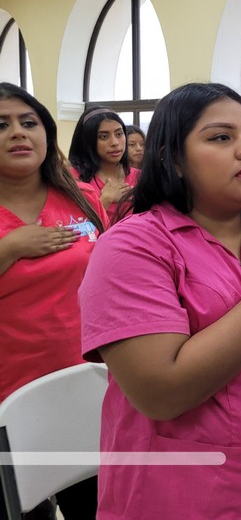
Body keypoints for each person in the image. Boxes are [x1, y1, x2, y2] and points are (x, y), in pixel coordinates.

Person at [78, 83, 241, 520]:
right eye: (221, 137)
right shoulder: (132, 247)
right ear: (172, 158)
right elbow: (162, 391)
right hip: (184, 497)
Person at [0, 82, 106, 520]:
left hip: (87, 387)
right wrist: (10, 248)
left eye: (29, 122)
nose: (17, 132)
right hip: (9, 399)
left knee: (95, 507)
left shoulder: (82, 197)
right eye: (1, 124)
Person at [68, 108, 139, 223]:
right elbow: (72, 225)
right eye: (104, 137)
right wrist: (106, 199)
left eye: (119, 134)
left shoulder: (140, 177)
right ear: (87, 141)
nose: (115, 142)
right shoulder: (73, 178)